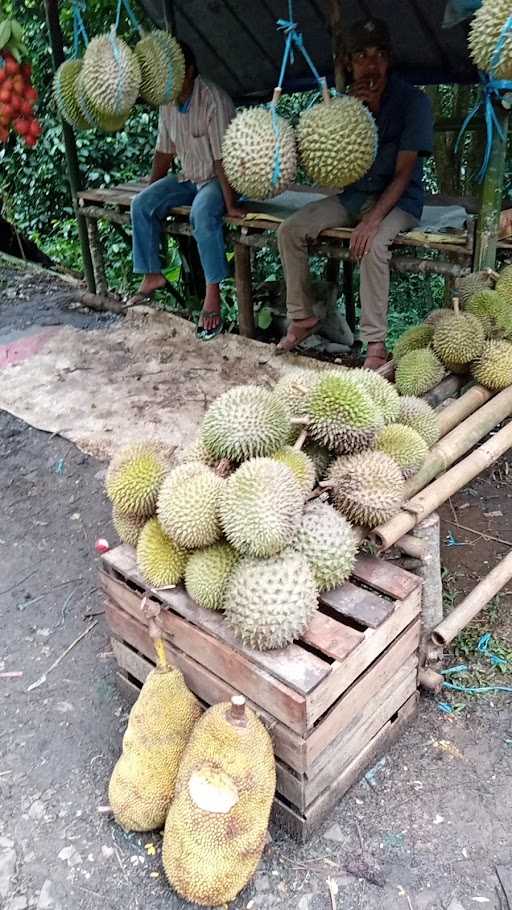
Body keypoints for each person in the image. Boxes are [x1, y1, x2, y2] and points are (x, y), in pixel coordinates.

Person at [276, 18, 434, 368]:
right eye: (362, 57)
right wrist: (353, 112)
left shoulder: (413, 103)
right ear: (350, 64)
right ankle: (301, 317)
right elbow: (334, 163)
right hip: (355, 196)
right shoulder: (348, 105)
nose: (371, 65)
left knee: (374, 246)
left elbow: (405, 172)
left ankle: (375, 345)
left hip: (401, 200)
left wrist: (372, 222)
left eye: (378, 56)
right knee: (290, 230)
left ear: (389, 60)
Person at [129, 42, 243, 339]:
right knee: (141, 204)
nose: (167, 78)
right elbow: (164, 153)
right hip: (189, 178)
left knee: (202, 213)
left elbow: (222, 159)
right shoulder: (167, 101)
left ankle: (212, 295)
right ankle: (152, 275)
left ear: (190, 71)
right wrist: (153, 189)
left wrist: (231, 206)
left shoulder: (212, 100)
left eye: (174, 71)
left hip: (221, 179)